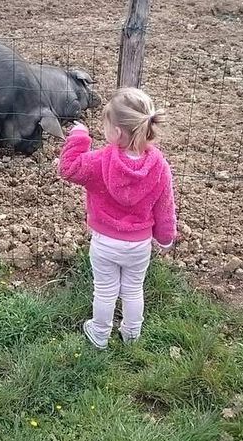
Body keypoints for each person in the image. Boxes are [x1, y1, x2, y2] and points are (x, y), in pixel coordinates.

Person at [59, 87, 177, 349]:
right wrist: (165, 239)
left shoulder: (99, 161)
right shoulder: (159, 165)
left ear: (116, 132)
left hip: (105, 243)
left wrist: (79, 137)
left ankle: (99, 334)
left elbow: (68, 169)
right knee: (133, 290)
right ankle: (131, 334)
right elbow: (165, 206)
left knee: (105, 290)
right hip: (139, 245)